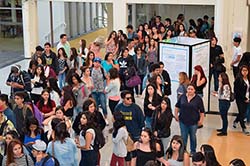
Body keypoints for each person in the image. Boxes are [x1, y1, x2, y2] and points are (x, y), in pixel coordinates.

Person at [175, 83, 205, 155]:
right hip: (183, 121)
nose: (190, 91)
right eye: (188, 89)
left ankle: (193, 151)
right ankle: (183, 151)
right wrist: (176, 115)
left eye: (191, 89)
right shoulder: (182, 97)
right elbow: (177, 106)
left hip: (193, 122)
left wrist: (201, 120)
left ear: (194, 90)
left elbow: (202, 111)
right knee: (183, 137)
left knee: (193, 137)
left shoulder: (198, 99)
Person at [233, 65, 250, 135]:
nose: (245, 72)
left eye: (246, 70)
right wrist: (244, 98)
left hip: (248, 97)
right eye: (243, 70)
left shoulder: (248, 79)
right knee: (242, 112)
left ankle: (236, 121)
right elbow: (237, 91)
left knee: (242, 112)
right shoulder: (238, 80)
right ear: (241, 71)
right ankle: (244, 127)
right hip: (240, 99)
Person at [91, 57, 108, 123]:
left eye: (99, 62)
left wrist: (106, 87)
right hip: (93, 91)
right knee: (95, 105)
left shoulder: (102, 69)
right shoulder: (90, 70)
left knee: (103, 104)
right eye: (96, 62)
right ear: (93, 62)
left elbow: (107, 77)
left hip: (101, 90)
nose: (97, 64)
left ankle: (105, 117)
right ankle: (97, 118)